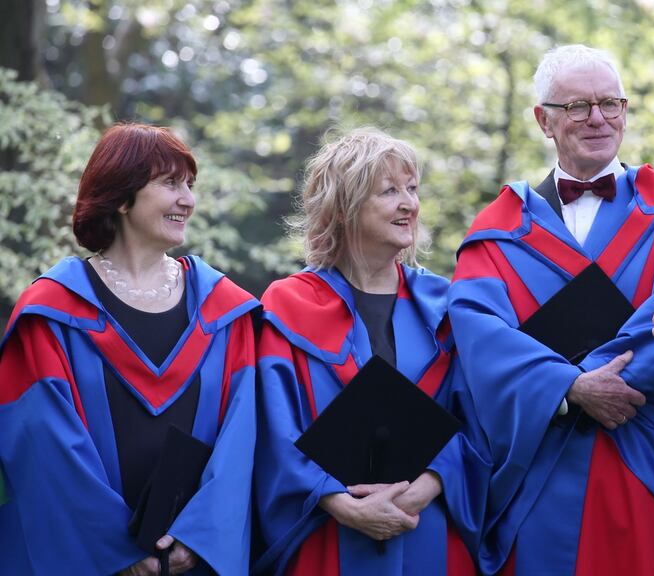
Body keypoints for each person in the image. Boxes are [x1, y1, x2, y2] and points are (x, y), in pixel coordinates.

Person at [449, 44, 654, 575]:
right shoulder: (498, 230)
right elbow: (478, 334)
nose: (598, 118)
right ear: (544, 120)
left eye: (611, 103)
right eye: (578, 106)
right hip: (545, 470)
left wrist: (591, 381)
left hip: (650, 459)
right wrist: (569, 387)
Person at [0, 123, 259, 575]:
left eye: (190, 186)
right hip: (90, 558)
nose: (188, 200)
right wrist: (115, 550)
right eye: (170, 183)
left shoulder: (225, 311)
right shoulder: (52, 311)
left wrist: (200, 535)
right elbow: (43, 445)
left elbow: (241, 438)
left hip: (192, 559)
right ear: (121, 198)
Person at [254, 127, 488, 576]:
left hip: (430, 531)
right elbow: (274, 430)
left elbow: (476, 423)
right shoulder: (287, 306)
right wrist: (341, 503)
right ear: (343, 208)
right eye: (389, 191)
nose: (409, 204)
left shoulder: (446, 308)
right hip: (328, 534)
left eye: (412, 189)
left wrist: (428, 485)